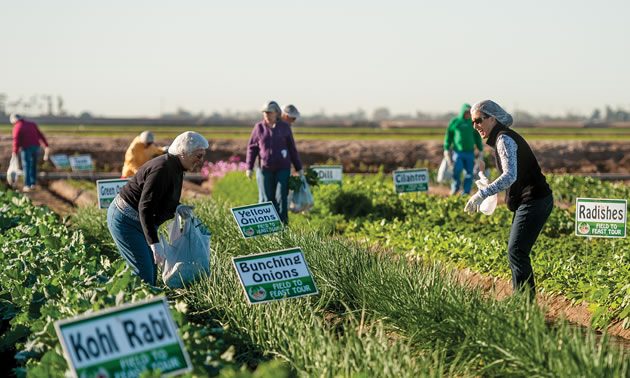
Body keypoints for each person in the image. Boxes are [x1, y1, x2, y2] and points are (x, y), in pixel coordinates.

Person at [464, 100, 553, 295]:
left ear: (492, 118)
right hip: (531, 200)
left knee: (517, 252)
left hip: (535, 200)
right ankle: (523, 303)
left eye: (478, 120)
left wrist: (482, 193)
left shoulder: (503, 139)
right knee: (516, 252)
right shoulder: (501, 139)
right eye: (472, 122)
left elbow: (510, 176)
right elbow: (511, 175)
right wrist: (483, 179)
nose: (475, 126)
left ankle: (524, 306)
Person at [107, 131, 208, 285]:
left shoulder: (176, 168)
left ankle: (142, 302)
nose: (200, 160)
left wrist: (177, 206)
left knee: (151, 273)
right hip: (126, 221)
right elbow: (145, 207)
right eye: (198, 155)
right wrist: (154, 243)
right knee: (144, 276)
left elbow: (163, 196)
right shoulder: (162, 169)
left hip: (140, 221)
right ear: (183, 153)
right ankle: (129, 305)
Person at [246, 101, 303, 224]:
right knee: (267, 198)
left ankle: (282, 227)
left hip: (282, 168)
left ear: (276, 113)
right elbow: (252, 148)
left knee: (281, 197)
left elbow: (292, 148)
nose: (266, 115)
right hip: (264, 169)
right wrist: (249, 167)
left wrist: (299, 167)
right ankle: (268, 227)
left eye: (269, 112)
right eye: (265, 112)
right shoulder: (258, 128)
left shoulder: (285, 127)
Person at [443, 104, 484, 195]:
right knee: (457, 170)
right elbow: (449, 136)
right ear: (462, 112)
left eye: (469, 113)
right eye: (466, 112)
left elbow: (477, 137)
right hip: (458, 152)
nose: (467, 114)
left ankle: (466, 192)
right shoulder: (455, 122)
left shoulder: (472, 123)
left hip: (470, 153)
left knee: (469, 174)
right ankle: (455, 187)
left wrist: (480, 149)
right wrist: (446, 148)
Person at [10, 113, 50, 192]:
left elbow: (16, 141)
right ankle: (33, 183)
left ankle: (27, 185)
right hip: (36, 147)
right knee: (33, 165)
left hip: (26, 148)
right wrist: (46, 144)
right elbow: (40, 134)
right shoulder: (32, 124)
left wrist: (15, 152)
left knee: (26, 166)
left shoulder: (17, 127)